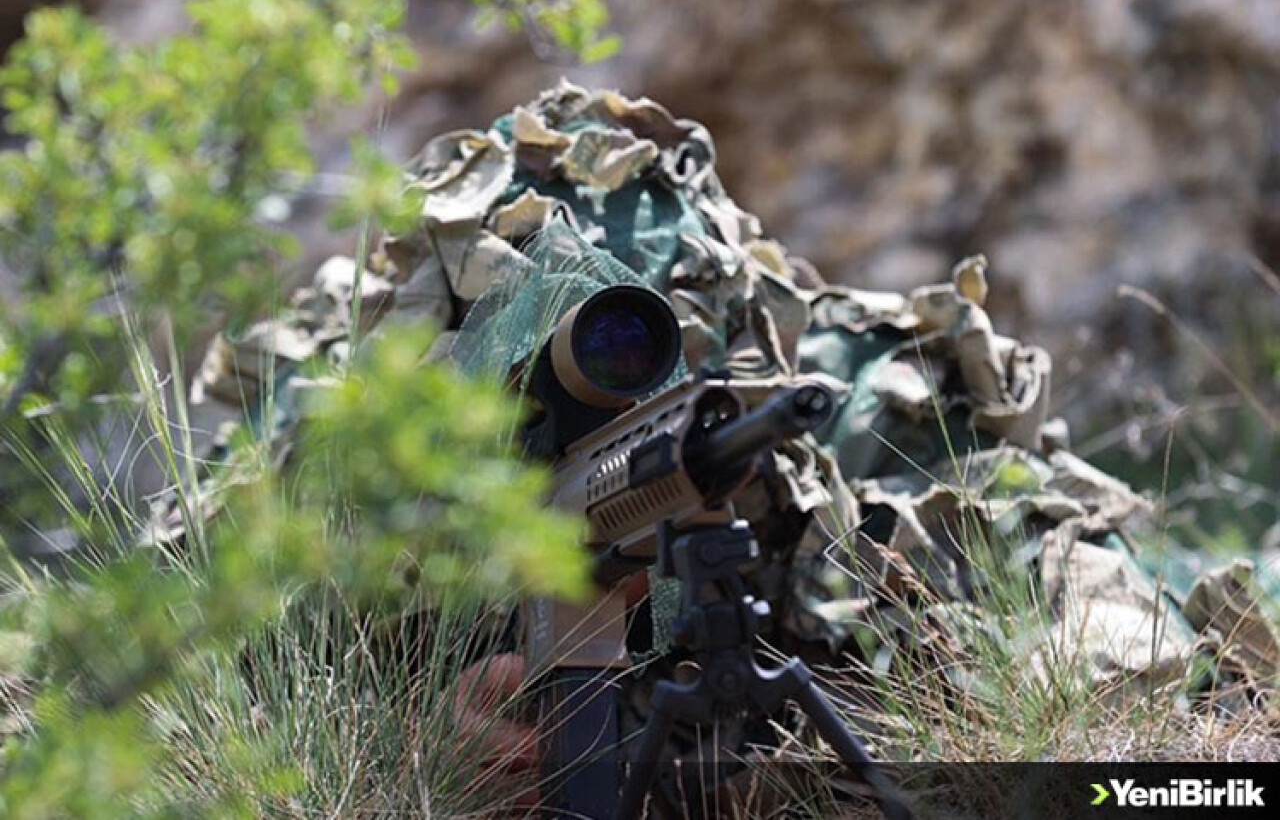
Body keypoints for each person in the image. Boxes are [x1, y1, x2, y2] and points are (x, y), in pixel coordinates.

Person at [187, 81, 1279, 815]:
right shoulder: (339, 471)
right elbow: (185, 684)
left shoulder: (830, 403)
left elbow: (1079, 587)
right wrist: (413, 732)